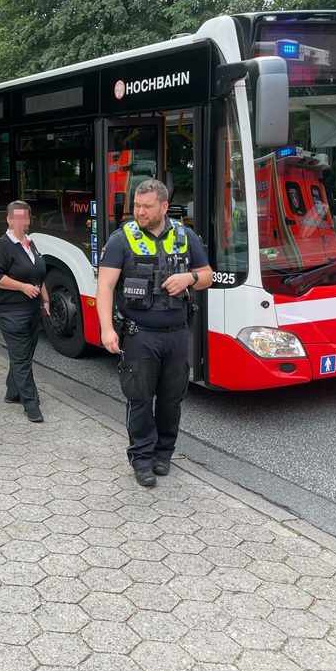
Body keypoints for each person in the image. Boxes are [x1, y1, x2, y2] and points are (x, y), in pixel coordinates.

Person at [96, 179, 212, 488]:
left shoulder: (185, 237)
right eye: (136, 205)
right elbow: (105, 286)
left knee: (172, 399)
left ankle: (164, 454)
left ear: (163, 206)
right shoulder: (122, 239)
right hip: (139, 336)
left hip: (175, 335)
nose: (139, 211)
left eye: (146, 206)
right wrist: (107, 328)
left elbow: (208, 276)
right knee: (140, 399)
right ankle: (142, 458)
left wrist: (189, 277)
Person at [0, 200, 50, 423]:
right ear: (9, 219)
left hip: (32, 310)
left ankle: (13, 392)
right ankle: (30, 404)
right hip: (10, 311)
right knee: (22, 356)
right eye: (17, 217)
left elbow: (38, 274)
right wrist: (22, 287)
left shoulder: (31, 243)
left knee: (25, 353)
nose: (22, 221)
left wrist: (45, 298)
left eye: (26, 217)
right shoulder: (2, 245)